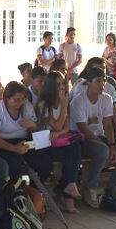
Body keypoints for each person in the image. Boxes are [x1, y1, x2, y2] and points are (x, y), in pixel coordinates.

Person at [70, 68, 116, 206]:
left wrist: (112, 145)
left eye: (104, 81)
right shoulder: (78, 101)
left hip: (100, 137)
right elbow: (83, 129)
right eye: (98, 81)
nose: (102, 85)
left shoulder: (106, 98)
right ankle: (91, 187)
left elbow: (107, 125)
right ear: (88, 83)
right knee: (102, 150)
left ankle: (114, 186)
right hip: (81, 140)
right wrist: (107, 146)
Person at [34, 71, 83, 214]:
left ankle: (68, 187)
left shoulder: (63, 102)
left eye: (63, 84)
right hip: (45, 144)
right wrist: (64, 105)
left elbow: (65, 127)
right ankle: (66, 191)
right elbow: (57, 125)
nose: (61, 87)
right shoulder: (43, 104)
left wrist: (59, 133)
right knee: (71, 155)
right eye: (57, 84)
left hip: (58, 140)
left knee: (75, 148)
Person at [0, 81, 54, 182]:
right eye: (16, 100)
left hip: (24, 142)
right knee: (14, 165)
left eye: (22, 99)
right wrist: (14, 148)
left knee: (45, 162)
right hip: (2, 144)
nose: (20, 103)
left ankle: (34, 189)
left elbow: (36, 130)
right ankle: (12, 189)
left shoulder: (27, 107)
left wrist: (32, 125)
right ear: (7, 98)